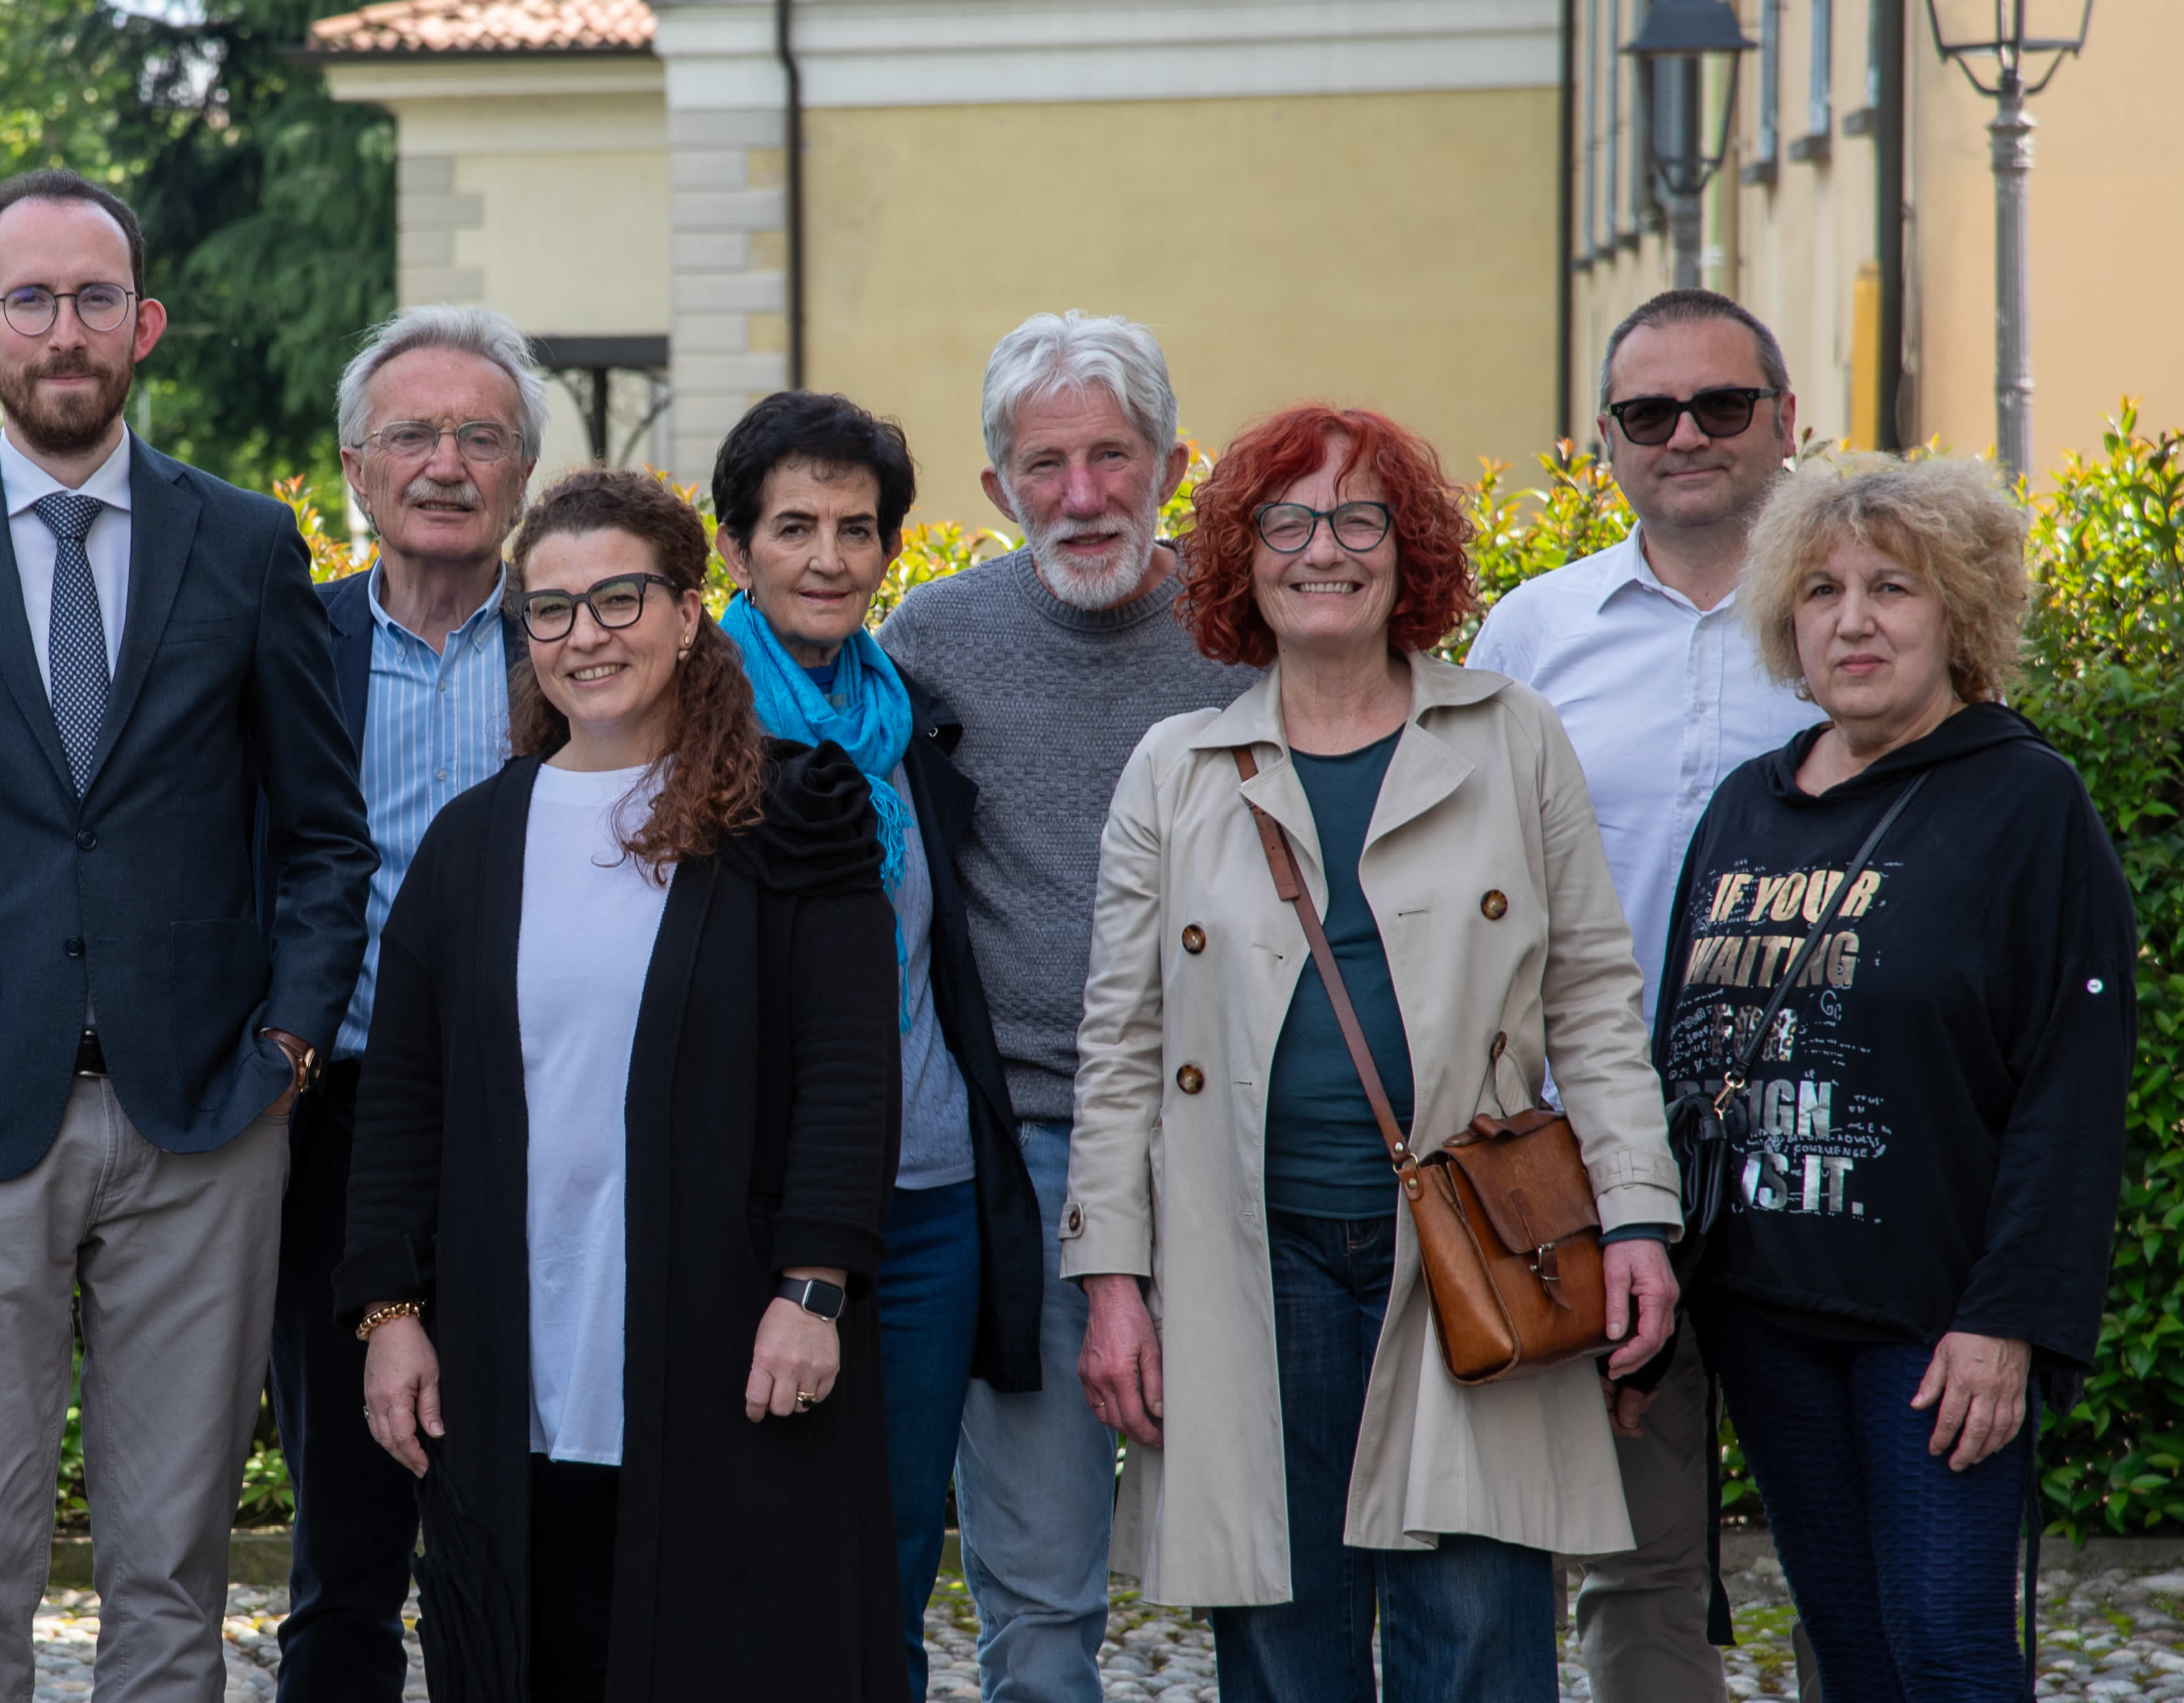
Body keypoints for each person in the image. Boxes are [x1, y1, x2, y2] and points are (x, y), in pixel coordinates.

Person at [0, 168, 375, 1701]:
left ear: (147, 326)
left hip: (205, 1118)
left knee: (172, 1570)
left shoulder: (247, 544)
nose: (66, 328)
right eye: (31, 300)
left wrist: (293, 1041)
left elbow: (323, 833)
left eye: (95, 298)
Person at [1067, 403, 1683, 1700]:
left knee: (1474, 1634)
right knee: (1285, 1646)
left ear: (1410, 553)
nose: (1322, 550)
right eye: (1285, 521)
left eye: (1359, 517)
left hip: (1475, 1249)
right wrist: (1112, 1278)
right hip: (1246, 1256)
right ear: (1240, 556)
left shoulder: (1511, 735)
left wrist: (1635, 1216)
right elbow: (1119, 1043)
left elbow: (1591, 1001)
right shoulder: (1176, 769)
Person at [345, 467, 904, 1703]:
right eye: (550, 609)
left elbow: (851, 1072)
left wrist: (813, 1285)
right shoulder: (473, 841)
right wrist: (389, 1312)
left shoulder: (792, 816)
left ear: (691, 609)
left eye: (619, 598)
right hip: (509, 1362)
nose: (584, 635)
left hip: (730, 1348)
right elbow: (402, 1095)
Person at [1657, 454, 2130, 1702]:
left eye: (1891, 587)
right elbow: (1680, 1049)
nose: (1852, 619)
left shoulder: (2028, 803)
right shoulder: (1742, 809)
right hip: (1764, 1311)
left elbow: (2069, 1092)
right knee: (1852, 1648)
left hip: (1934, 1324)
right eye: (1818, 589)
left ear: (1957, 611)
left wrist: (2009, 1317)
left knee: (1948, 1643)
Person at [872, 311, 1255, 1703]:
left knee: (1272, 1554)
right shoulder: (933, 639)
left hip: (1236, 1151)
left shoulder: (1251, 624)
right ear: (995, 489)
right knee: (1036, 1581)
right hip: (1018, 1158)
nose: (1082, 496)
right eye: (1045, 465)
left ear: (1168, 459)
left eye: (1112, 455)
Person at [1462, 287, 1826, 1698]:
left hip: (1814, 1143)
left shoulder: (1850, 613)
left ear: (1785, 424)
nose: (1685, 436)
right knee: (1627, 1555)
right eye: (1647, 413)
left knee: (1843, 1538)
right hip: (1591, 1158)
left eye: (1721, 406)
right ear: (1602, 440)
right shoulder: (1532, 635)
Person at [705, 390, 1043, 1691]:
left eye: (857, 528)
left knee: (892, 1548)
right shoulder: (691, 730)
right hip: (757, 1204)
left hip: (929, 1197)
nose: (829, 557)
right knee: (750, 1541)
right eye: (794, 527)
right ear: (735, 550)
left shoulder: (910, 724)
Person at [270, 303, 538, 1702]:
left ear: (520, 473)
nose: (445, 462)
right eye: (412, 435)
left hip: (538, 1123)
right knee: (345, 1515)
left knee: (513, 1504)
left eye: (479, 437)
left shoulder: (583, 653)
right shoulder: (283, 650)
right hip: (333, 1121)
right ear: (356, 472)